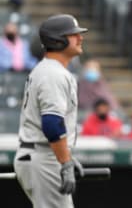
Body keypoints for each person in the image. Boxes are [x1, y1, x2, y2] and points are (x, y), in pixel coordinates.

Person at [13, 14, 88, 207]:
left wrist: (66, 157)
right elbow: (52, 124)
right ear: (58, 40)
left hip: (43, 155)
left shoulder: (50, 70)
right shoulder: (52, 74)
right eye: (74, 35)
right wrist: (65, 162)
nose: (80, 38)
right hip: (43, 158)